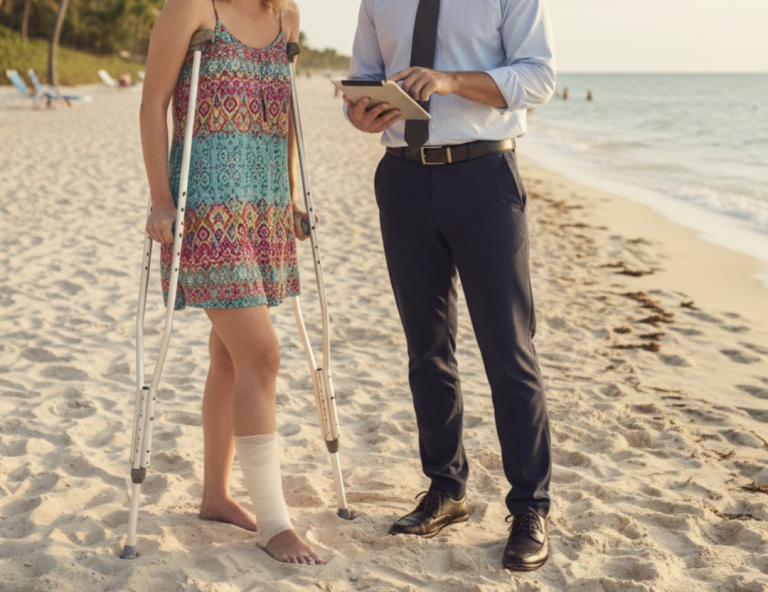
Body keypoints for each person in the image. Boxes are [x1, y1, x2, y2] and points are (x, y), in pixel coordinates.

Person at [344, 0, 555, 572]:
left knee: (509, 350)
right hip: (402, 180)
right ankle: (446, 489)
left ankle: (530, 507)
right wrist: (361, 112)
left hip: (485, 178)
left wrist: (449, 81)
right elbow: (363, 78)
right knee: (427, 348)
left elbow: (539, 76)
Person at [139, 0, 324, 565]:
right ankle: (273, 523)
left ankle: (216, 496)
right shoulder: (194, 7)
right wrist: (161, 201)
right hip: (207, 207)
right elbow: (152, 104)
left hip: (263, 204)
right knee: (262, 355)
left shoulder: (287, 18)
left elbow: (286, 116)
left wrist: (289, 195)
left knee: (230, 358)